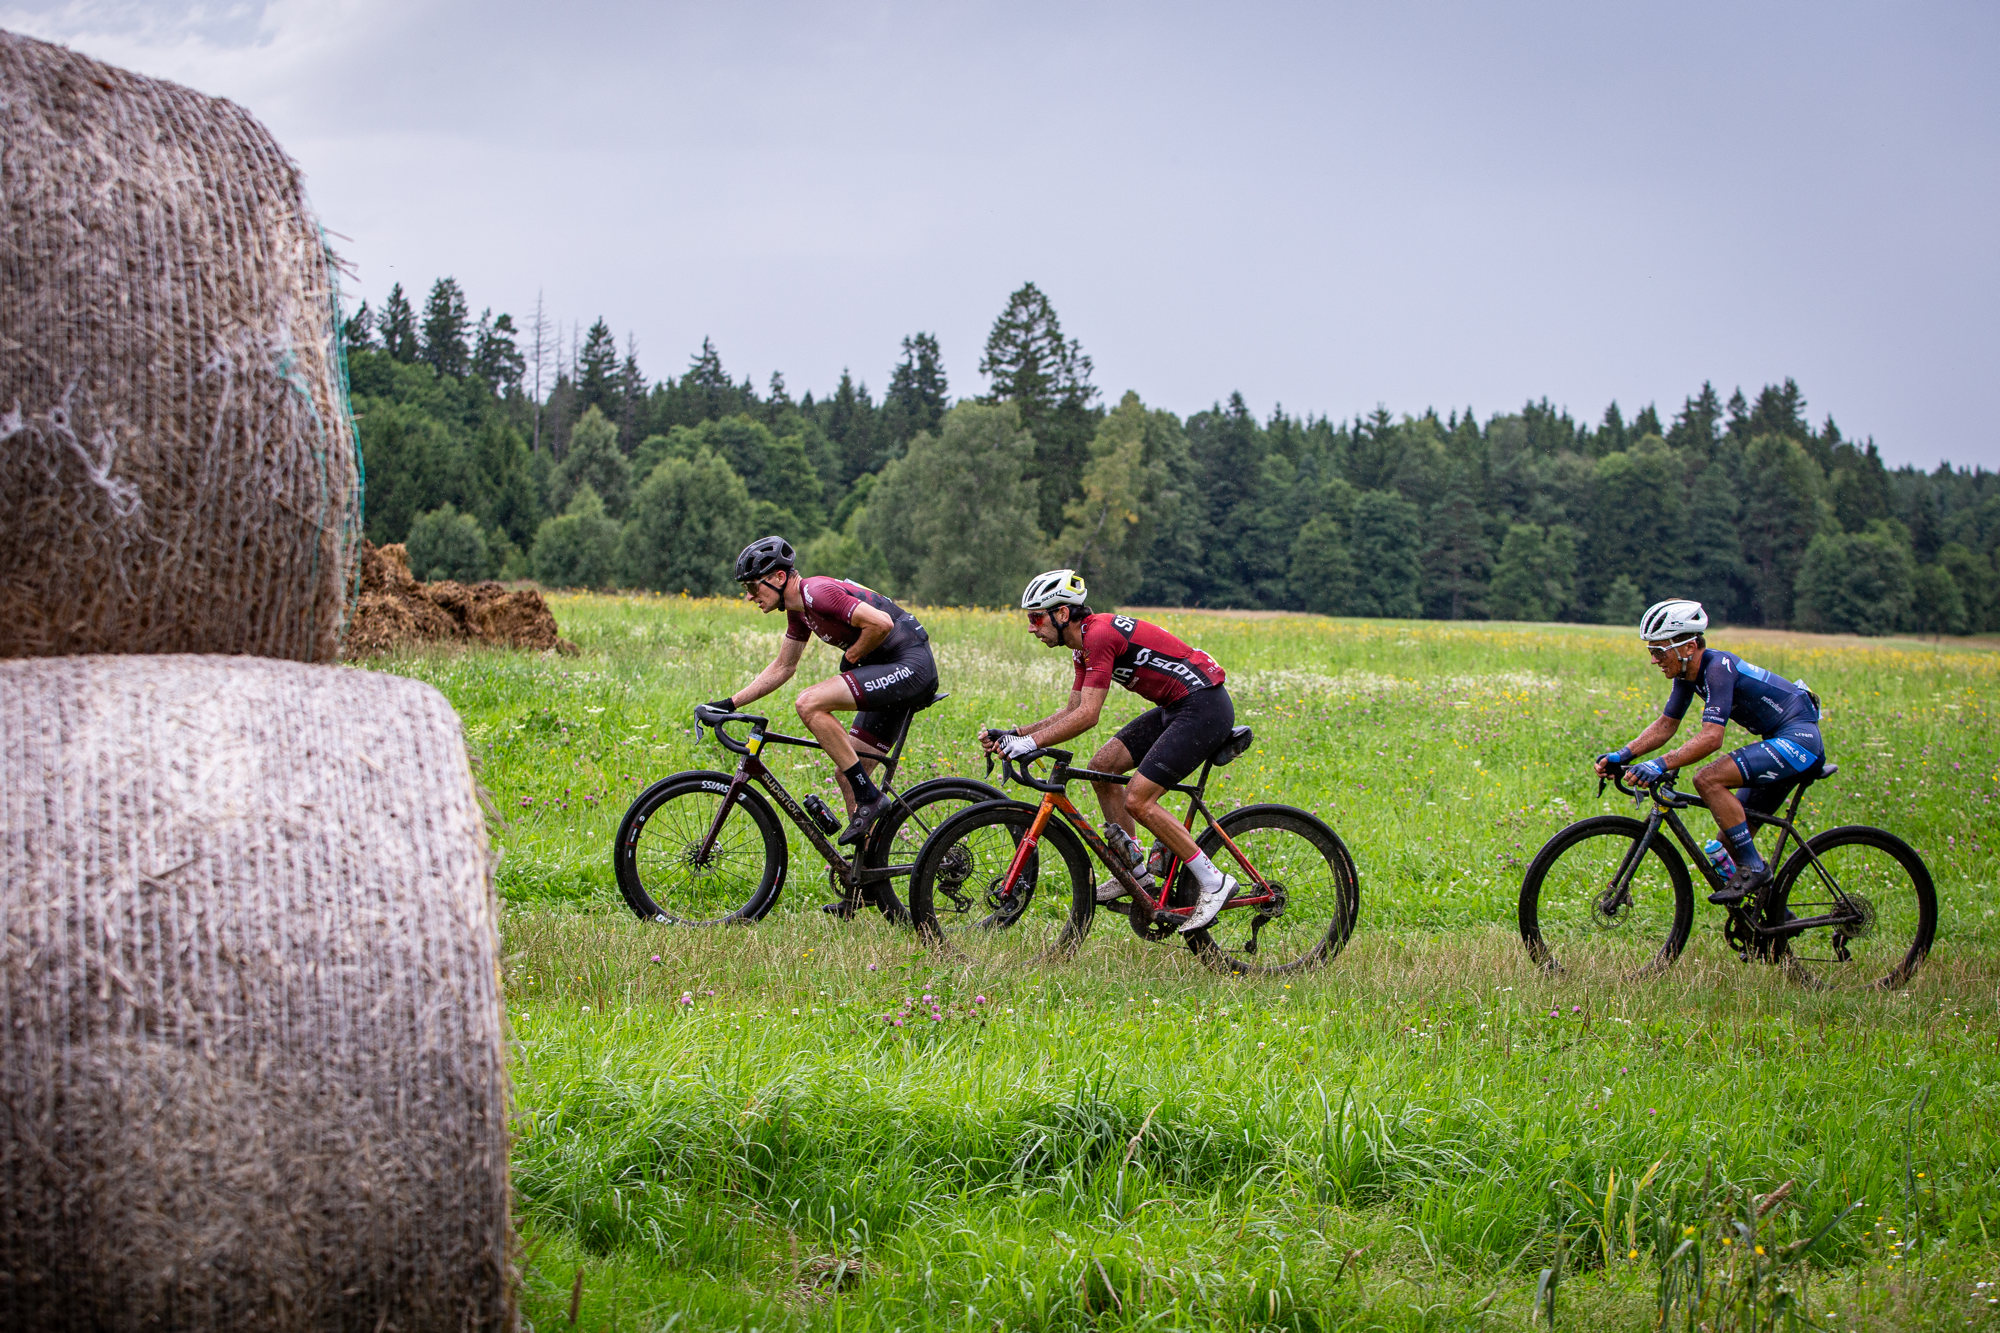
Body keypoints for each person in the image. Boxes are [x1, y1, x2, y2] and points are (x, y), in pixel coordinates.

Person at [980, 569, 1239, 933]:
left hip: (1203, 707)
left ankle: (1213, 881)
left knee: (1139, 799)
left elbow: (1088, 716)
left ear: (1063, 614)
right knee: (1103, 769)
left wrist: (1031, 744)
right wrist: (1016, 734)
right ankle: (1136, 875)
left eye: (1036, 617)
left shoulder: (1099, 635)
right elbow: (1072, 709)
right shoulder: (1081, 645)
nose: (1031, 627)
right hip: (1176, 707)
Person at [707, 536, 938, 868]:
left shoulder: (816, 592)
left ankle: (870, 797)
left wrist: (853, 655)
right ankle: (868, 880)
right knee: (848, 773)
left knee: (809, 703)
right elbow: (784, 666)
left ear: (777, 577)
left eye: (752, 586)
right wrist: (729, 703)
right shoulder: (799, 612)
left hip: (910, 668)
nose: (749, 596)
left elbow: (881, 624)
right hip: (891, 671)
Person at [1594, 598, 1827, 905]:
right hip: (1778, 741)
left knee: (1708, 780)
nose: (1653, 659)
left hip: (1799, 741)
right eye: (1651, 651)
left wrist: (1660, 764)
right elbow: (1666, 724)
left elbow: (1712, 738)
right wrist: (1622, 756)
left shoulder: (1719, 668)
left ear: (1688, 647)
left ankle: (1755, 869)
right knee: (1729, 844)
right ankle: (1773, 925)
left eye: (1658, 651)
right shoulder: (1686, 676)